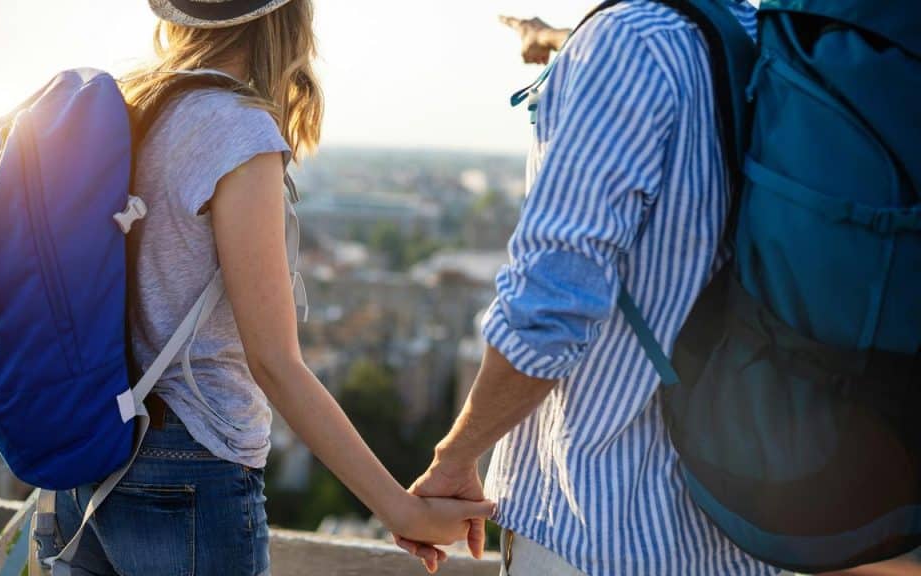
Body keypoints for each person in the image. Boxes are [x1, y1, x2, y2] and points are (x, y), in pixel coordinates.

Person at [53, 1, 493, 575]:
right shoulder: (237, 130)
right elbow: (276, 363)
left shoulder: (135, 110)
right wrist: (400, 508)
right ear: (287, 23)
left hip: (89, 457)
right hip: (191, 465)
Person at [396, 2, 784, 575]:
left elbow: (549, 305)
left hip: (603, 526)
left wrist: (456, 454)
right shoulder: (765, 41)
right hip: (754, 527)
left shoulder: (625, 42)